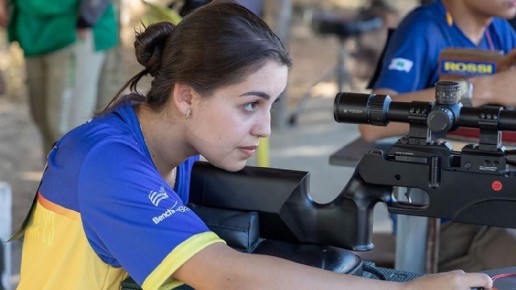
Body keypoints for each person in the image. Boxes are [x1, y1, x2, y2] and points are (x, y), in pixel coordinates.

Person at [13, 2, 492, 289]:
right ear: (186, 98)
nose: (265, 129)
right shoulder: (106, 160)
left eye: (272, 105)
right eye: (249, 105)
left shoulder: (167, 140)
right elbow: (223, 274)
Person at [359, 0, 516, 273]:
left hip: (492, 197)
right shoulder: (424, 28)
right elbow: (371, 125)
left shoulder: (501, 31)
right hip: (444, 219)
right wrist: (480, 90)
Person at [0, 0, 118, 156]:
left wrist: (87, 17)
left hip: (75, 27)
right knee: (44, 123)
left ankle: (78, 179)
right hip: (33, 31)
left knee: (66, 128)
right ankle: (53, 180)